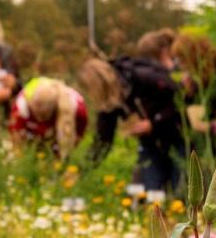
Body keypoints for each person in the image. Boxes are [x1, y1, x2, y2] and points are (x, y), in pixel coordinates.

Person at [78, 57, 184, 192]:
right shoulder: (109, 102)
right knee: (152, 193)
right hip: (150, 144)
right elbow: (103, 140)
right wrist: (82, 169)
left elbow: (179, 96)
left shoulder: (142, 76)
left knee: (182, 190)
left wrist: (154, 122)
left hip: (179, 136)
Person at [171, 31, 216, 175]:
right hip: (209, 145)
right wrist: (188, 93)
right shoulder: (194, 80)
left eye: (183, 59)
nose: (181, 65)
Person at [8, 78, 88, 160]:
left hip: (59, 127)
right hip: (32, 134)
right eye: (35, 113)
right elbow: (15, 136)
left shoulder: (76, 110)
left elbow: (75, 139)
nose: (39, 120)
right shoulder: (21, 105)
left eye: (43, 115)